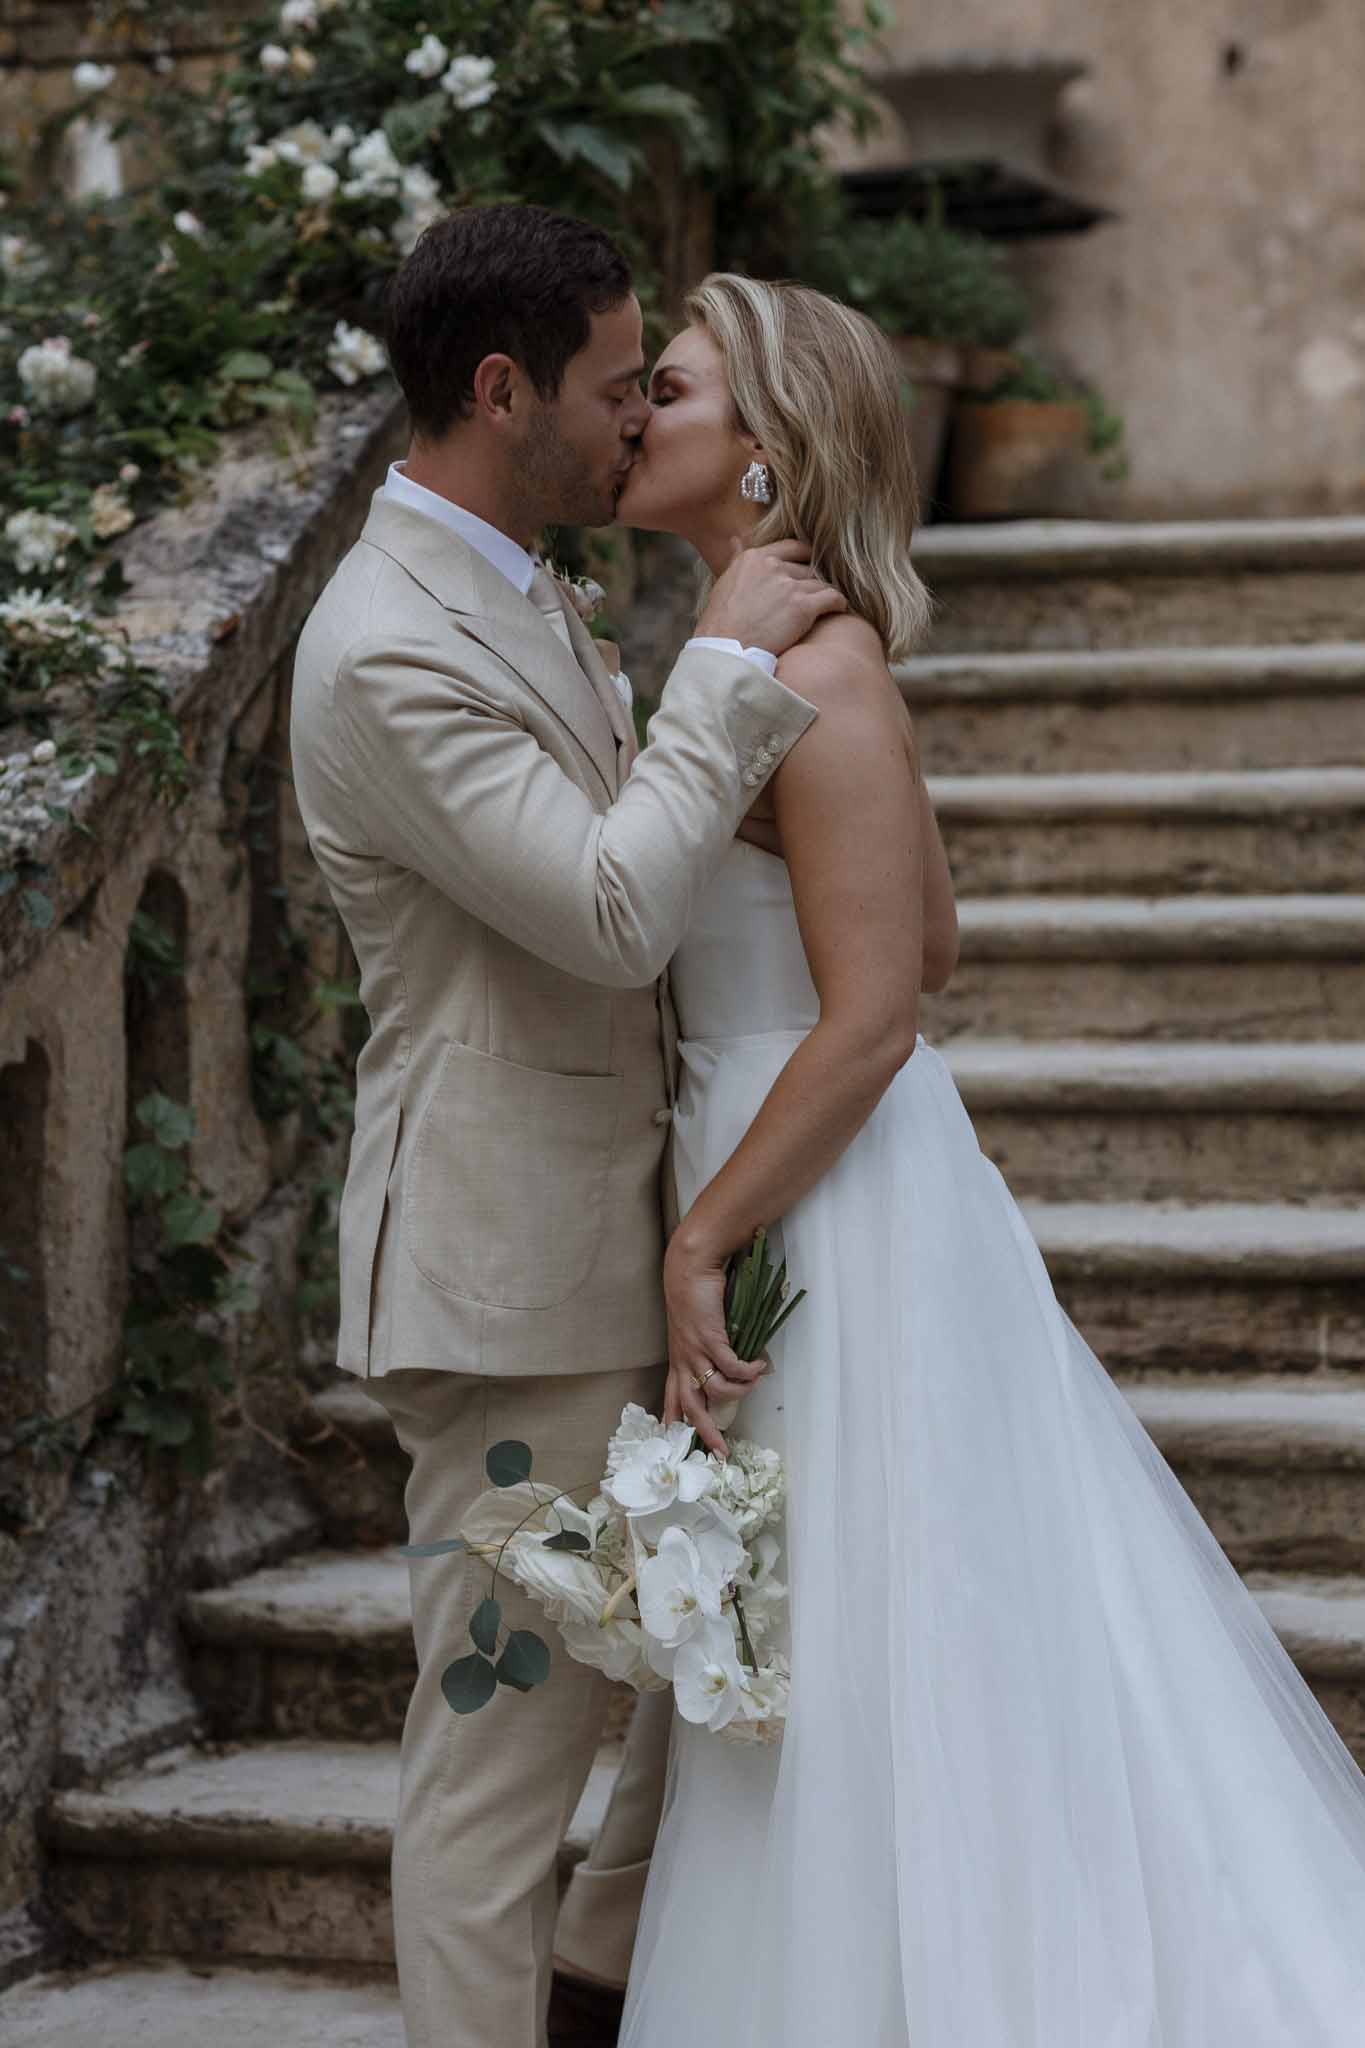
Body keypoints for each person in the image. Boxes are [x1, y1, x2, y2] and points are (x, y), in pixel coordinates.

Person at [612, 272, 1365, 2046]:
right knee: (817, 1637)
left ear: (768, 455)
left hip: (817, 1191)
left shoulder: (819, 667)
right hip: (785, 1154)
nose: (637, 415)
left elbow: (878, 1011)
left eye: (672, 387)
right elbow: (933, 939)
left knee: (879, 1639)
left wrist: (702, 1235)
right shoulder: (764, 651)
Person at [288, 206, 847, 2048]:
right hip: (509, 1279)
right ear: (501, 385)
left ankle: (604, 1989)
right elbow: (605, 911)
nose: (636, 419)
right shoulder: (385, 647)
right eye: (617, 386)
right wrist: (728, 677)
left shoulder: (528, 580)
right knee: (499, 1752)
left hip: (629, 1231)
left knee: (703, 1678)